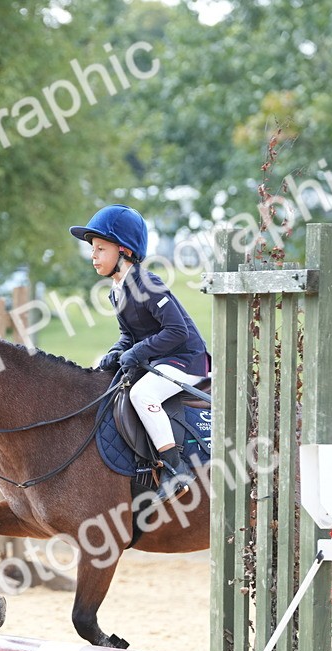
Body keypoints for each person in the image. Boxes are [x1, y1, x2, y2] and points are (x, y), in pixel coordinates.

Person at [70, 205, 209, 500]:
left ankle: (176, 469)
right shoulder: (116, 290)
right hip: (158, 357)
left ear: (124, 251)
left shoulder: (147, 284)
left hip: (185, 359)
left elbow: (177, 332)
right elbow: (128, 335)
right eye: (93, 250)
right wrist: (116, 351)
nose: (93, 256)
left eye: (99, 249)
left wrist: (137, 351)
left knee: (141, 395)